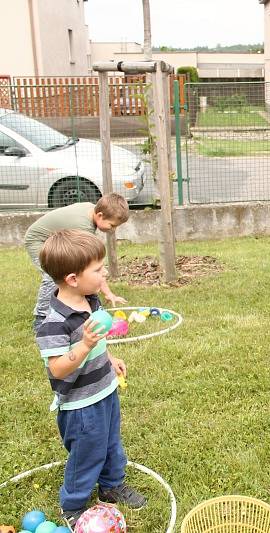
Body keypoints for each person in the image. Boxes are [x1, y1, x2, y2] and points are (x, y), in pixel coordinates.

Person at [34, 230, 146, 527]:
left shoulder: (90, 300)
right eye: (97, 269)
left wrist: (110, 359)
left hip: (104, 391)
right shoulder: (54, 323)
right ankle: (73, 504)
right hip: (80, 404)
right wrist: (83, 345)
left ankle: (112, 485)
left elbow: (97, 342)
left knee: (111, 443)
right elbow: (57, 368)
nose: (104, 272)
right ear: (72, 278)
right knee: (86, 452)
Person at [25, 193, 130, 331]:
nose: (113, 229)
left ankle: (77, 306)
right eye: (112, 225)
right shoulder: (83, 227)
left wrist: (108, 293)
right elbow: (93, 267)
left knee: (73, 275)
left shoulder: (92, 210)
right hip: (39, 241)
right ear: (100, 215)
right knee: (53, 277)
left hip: (56, 240)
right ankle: (41, 319)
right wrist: (108, 293)